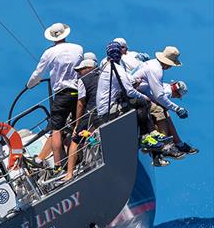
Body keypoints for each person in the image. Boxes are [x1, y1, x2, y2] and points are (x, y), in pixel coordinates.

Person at [27, 22, 83, 169]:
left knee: (56, 129)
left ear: (52, 37)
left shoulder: (49, 53)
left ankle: (59, 164)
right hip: (78, 92)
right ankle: (80, 155)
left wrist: (29, 85)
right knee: (79, 123)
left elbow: (38, 74)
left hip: (62, 94)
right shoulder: (78, 48)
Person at [95, 42, 159, 150]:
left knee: (135, 100)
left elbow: (125, 79)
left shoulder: (105, 66)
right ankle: (146, 136)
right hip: (109, 109)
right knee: (142, 102)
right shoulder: (117, 67)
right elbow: (129, 91)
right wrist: (144, 97)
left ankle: (147, 134)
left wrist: (134, 81)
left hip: (102, 109)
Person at [131, 46, 191, 160]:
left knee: (162, 111)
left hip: (135, 94)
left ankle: (170, 145)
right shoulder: (156, 70)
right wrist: (177, 109)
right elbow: (159, 96)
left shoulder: (152, 63)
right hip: (132, 96)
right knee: (161, 112)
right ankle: (165, 147)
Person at [63, 57, 100, 180]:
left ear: (89, 68)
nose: (78, 73)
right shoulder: (105, 75)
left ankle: (69, 173)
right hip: (105, 110)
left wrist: (77, 123)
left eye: (81, 70)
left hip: (91, 112)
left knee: (75, 140)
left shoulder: (83, 80)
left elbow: (80, 103)